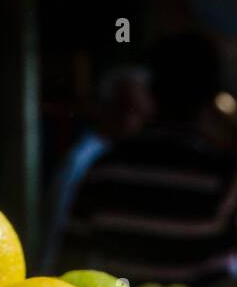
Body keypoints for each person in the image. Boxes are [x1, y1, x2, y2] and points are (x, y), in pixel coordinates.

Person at [63, 32, 237, 286]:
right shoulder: (232, 173)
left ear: (151, 89)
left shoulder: (104, 167)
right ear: (214, 97)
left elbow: (73, 250)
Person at [38, 67, 153, 274]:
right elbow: (64, 231)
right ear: (103, 107)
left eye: (137, 111)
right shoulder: (86, 159)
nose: (129, 120)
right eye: (122, 108)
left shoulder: (123, 158)